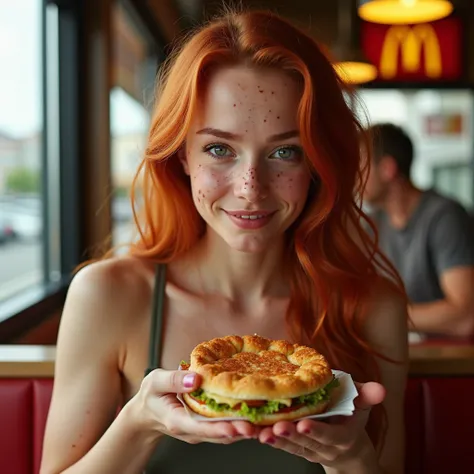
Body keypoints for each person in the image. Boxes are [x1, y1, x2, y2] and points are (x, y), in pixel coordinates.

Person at [40, 10, 408, 474]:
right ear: (182, 156)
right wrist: (139, 423)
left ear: (318, 163)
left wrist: (352, 459)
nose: (250, 187)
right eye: (219, 149)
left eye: (284, 151)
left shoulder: (374, 305)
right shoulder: (109, 295)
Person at [363, 123, 474, 338]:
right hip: (412, 350)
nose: (353, 176)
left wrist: (373, 316)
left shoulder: (444, 217)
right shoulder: (374, 224)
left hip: (456, 360)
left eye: (360, 165)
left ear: (387, 168)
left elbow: (465, 316)